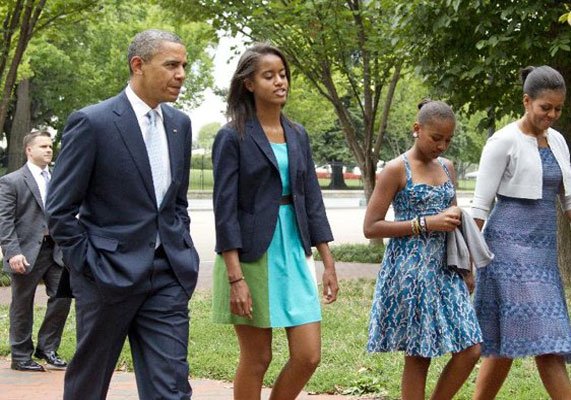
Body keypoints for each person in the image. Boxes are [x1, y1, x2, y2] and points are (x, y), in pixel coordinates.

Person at [46, 29, 198, 400]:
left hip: (167, 276)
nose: (181, 74)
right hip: (106, 276)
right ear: (138, 65)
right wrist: (90, 264)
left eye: (184, 66)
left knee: (172, 390)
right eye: (171, 65)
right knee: (89, 385)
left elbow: (176, 202)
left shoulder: (180, 124)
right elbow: (60, 209)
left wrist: (181, 247)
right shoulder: (93, 122)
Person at [471, 65, 571, 400]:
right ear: (526, 101)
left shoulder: (559, 142)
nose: (552, 114)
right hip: (506, 250)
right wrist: (464, 261)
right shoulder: (502, 141)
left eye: (558, 109)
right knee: (549, 341)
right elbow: (478, 208)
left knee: (503, 342)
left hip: (543, 253)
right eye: (544, 107)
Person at [211, 43, 339, 400]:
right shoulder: (231, 135)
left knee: (308, 355)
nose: (280, 82)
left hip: (294, 250)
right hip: (252, 255)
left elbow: (312, 198)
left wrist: (328, 261)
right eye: (269, 76)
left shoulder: (297, 134)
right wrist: (235, 277)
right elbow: (225, 210)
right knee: (257, 357)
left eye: (282, 75)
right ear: (249, 83)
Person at [364, 99, 483, 400]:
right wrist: (426, 223)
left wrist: (467, 267)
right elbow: (371, 226)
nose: (442, 145)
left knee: (471, 348)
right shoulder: (395, 169)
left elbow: (453, 218)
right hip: (410, 270)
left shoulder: (447, 167)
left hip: (446, 267)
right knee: (419, 355)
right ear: (417, 129)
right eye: (436, 138)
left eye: (448, 139)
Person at [0, 131, 71, 372]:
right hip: (26, 252)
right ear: (29, 150)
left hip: (57, 250)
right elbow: (5, 221)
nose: (49, 150)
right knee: (22, 303)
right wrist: (12, 252)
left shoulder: (57, 179)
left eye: (50, 146)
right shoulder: (12, 181)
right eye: (43, 146)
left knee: (62, 297)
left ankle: (47, 347)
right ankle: (20, 356)